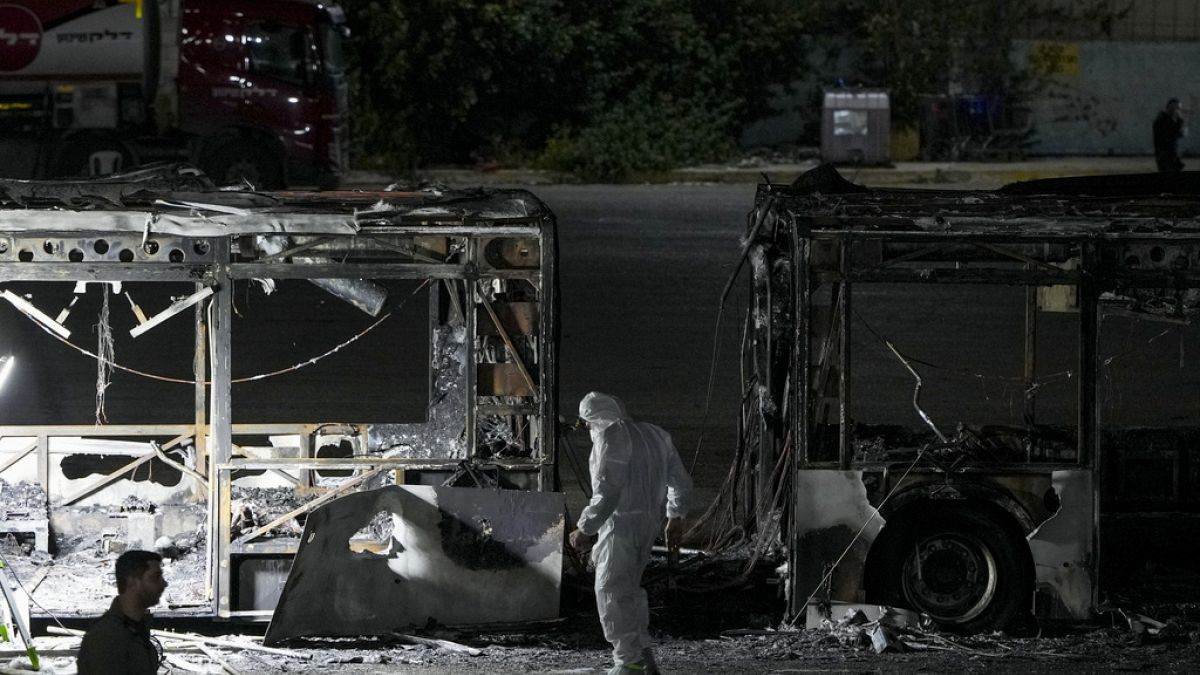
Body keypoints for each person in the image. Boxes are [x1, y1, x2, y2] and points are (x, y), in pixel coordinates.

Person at [569, 392, 692, 675]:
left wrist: (585, 528)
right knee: (630, 592)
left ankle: (628, 663)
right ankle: (644, 657)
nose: (588, 429)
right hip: (647, 525)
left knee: (610, 591)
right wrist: (675, 517)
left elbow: (608, 490)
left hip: (619, 525)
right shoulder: (656, 435)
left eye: (587, 423)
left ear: (595, 419)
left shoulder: (611, 436)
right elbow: (681, 482)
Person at [77, 549, 168, 674]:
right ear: (133, 583)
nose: (164, 583)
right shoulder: (107, 640)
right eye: (155, 577)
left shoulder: (135, 630)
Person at [1153, 98, 1186, 172]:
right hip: (1164, 154)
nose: (1178, 111)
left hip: (1172, 153)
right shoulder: (1162, 119)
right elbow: (1169, 133)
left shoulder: (1171, 119)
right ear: (1171, 107)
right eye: (1177, 108)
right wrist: (1179, 122)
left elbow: (1178, 134)